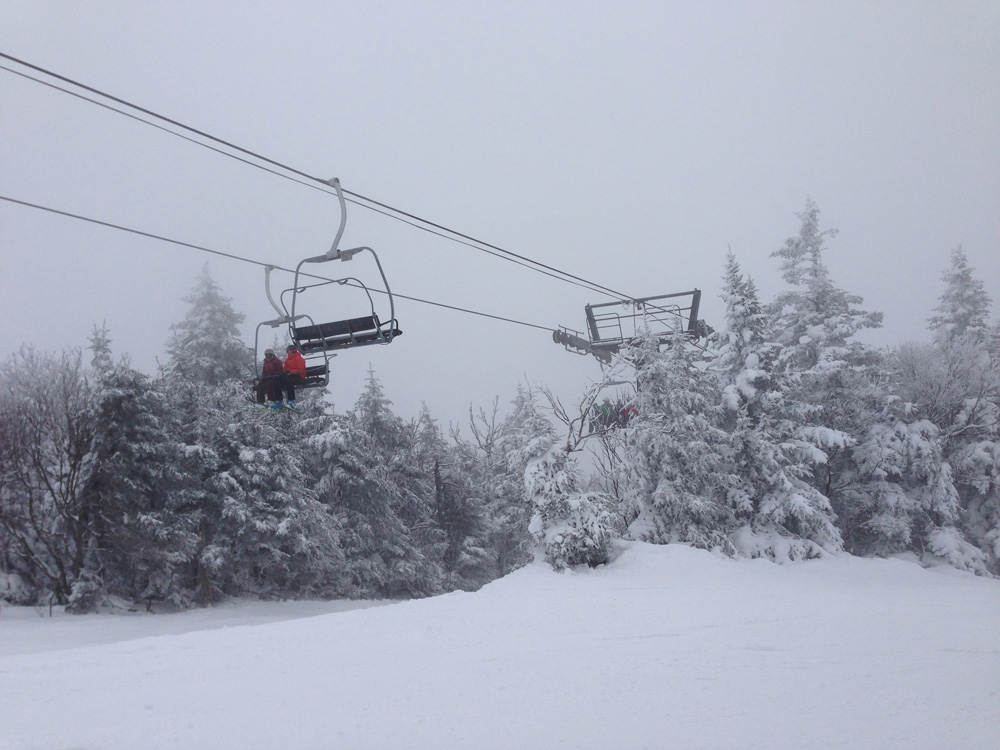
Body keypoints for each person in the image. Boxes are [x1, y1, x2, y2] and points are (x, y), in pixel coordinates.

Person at [277, 343, 307, 408]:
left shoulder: (299, 358)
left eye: (288, 351)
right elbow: (285, 369)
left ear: (293, 351)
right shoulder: (288, 360)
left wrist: (290, 372)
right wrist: (283, 372)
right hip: (290, 375)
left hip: (299, 375)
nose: (288, 353)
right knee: (278, 381)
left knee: (289, 381)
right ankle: (279, 401)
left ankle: (291, 401)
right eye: (287, 351)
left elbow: (300, 369)